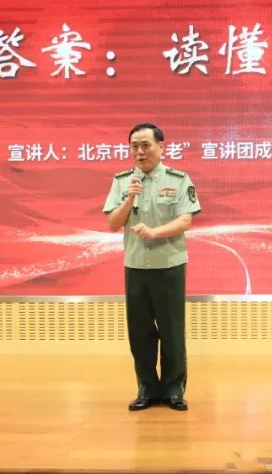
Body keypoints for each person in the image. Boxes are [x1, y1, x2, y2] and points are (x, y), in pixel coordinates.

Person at [103, 123, 201, 412]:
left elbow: (185, 220)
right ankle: (147, 388)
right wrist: (130, 198)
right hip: (135, 266)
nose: (140, 151)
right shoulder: (123, 181)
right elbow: (113, 223)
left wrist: (154, 233)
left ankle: (173, 390)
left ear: (161, 147)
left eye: (146, 145)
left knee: (172, 330)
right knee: (140, 332)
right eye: (134, 146)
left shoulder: (179, 179)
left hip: (169, 265)